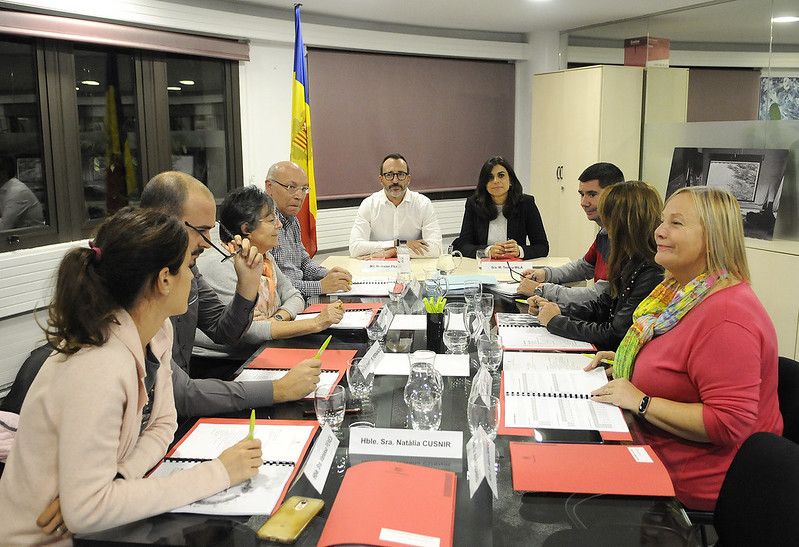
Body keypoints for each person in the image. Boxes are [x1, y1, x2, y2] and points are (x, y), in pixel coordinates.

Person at [0, 208, 262, 542]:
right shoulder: (99, 367)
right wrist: (218, 473)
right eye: (188, 266)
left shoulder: (158, 331)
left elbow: (164, 423)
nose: (193, 277)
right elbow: (87, 511)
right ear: (164, 279)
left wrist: (121, 480)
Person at [588, 187, 782, 511]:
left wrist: (642, 401)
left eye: (676, 224)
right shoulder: (682, 292)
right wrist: (629, 364)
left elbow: (728, 422)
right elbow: (678, 367)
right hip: (650, 448)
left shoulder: (727, 318)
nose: (659, 231)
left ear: (713, 237)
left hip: (689, 483)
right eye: (663, 221)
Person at [140, 172, 321, 417]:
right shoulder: (140, 286)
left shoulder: (189, 268)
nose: (206, 242)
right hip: (167, 407)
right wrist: (278, 390)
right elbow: (180, 393)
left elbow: (224, 331)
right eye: (201, 230)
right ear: (163, 222)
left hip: (172, 409)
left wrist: (246, 288)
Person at [194, 186, 344, 360]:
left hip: (262, 348)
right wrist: (316, 323)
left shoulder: (263, 256)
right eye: (272, 220)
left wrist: (277, 318)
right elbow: (249, 332)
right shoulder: (220, 264)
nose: (279, 225)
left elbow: (294, 295)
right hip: (226, 362)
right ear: (246, 229)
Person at [528, 181, 664, 350]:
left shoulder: (651, 272)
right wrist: (559, 309)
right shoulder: (629, 258)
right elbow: (603, 306)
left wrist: (556, 321)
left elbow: (614, 334)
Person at [518, 162, 624, 305]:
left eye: (592, 194)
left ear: (615, 195)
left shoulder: (625, 239)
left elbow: (601, 295)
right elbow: (584, 266)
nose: (584, 202)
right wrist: (546, 274)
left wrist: (541, 289)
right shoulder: (604, 232)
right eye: (582, 195)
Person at [266, 161, 353, 297]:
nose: (299, 196)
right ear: (269, 186)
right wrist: (320, 286)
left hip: (299, 297)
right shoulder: (262, 225)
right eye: (291, 187)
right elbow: (275, 284)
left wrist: (327, 274)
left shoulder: (292, 220)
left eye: (304, 189)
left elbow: (304, 263)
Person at [451, 156, 548, 259]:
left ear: (510, 180)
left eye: (501, 175)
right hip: (482, 268)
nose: (496, 181)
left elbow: (542, 247)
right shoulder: (474, 204)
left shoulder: (526, 203)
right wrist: (487, 251)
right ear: (484, 184)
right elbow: (463, 245)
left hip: (515, 268)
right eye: (490, 177)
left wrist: (520, 251)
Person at [348, 153, 442, 258]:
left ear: (408, 179)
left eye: (401, 174)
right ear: (381, 179)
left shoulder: (423, 204)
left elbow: (436, 249)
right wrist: (397, 243)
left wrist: (395, 251)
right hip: (377, 268)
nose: (395, 180)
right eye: (389, 175)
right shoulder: (369, 204)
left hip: (413, 268)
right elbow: (355, 248)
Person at [0, 155, 44, 230]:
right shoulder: (4, 189)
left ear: (3, 174)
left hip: (34, 239)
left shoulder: (17, 192)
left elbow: (3, 228)